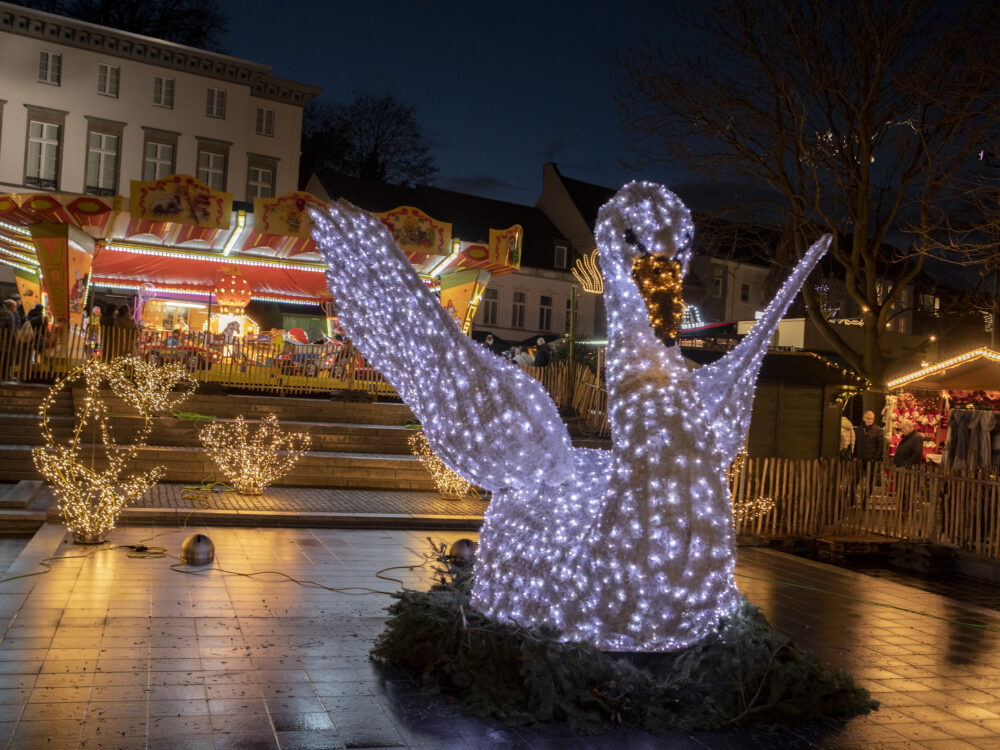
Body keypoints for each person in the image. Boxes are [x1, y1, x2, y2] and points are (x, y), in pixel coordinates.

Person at [0, 300, 16, 382]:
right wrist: (14, 339)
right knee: (6, 359)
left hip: (3, 340)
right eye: (15, 306)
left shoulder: (2, 311)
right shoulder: (8, 313)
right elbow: (11, 328)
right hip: (6, 341)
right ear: (12, 306)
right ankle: (5, 375)